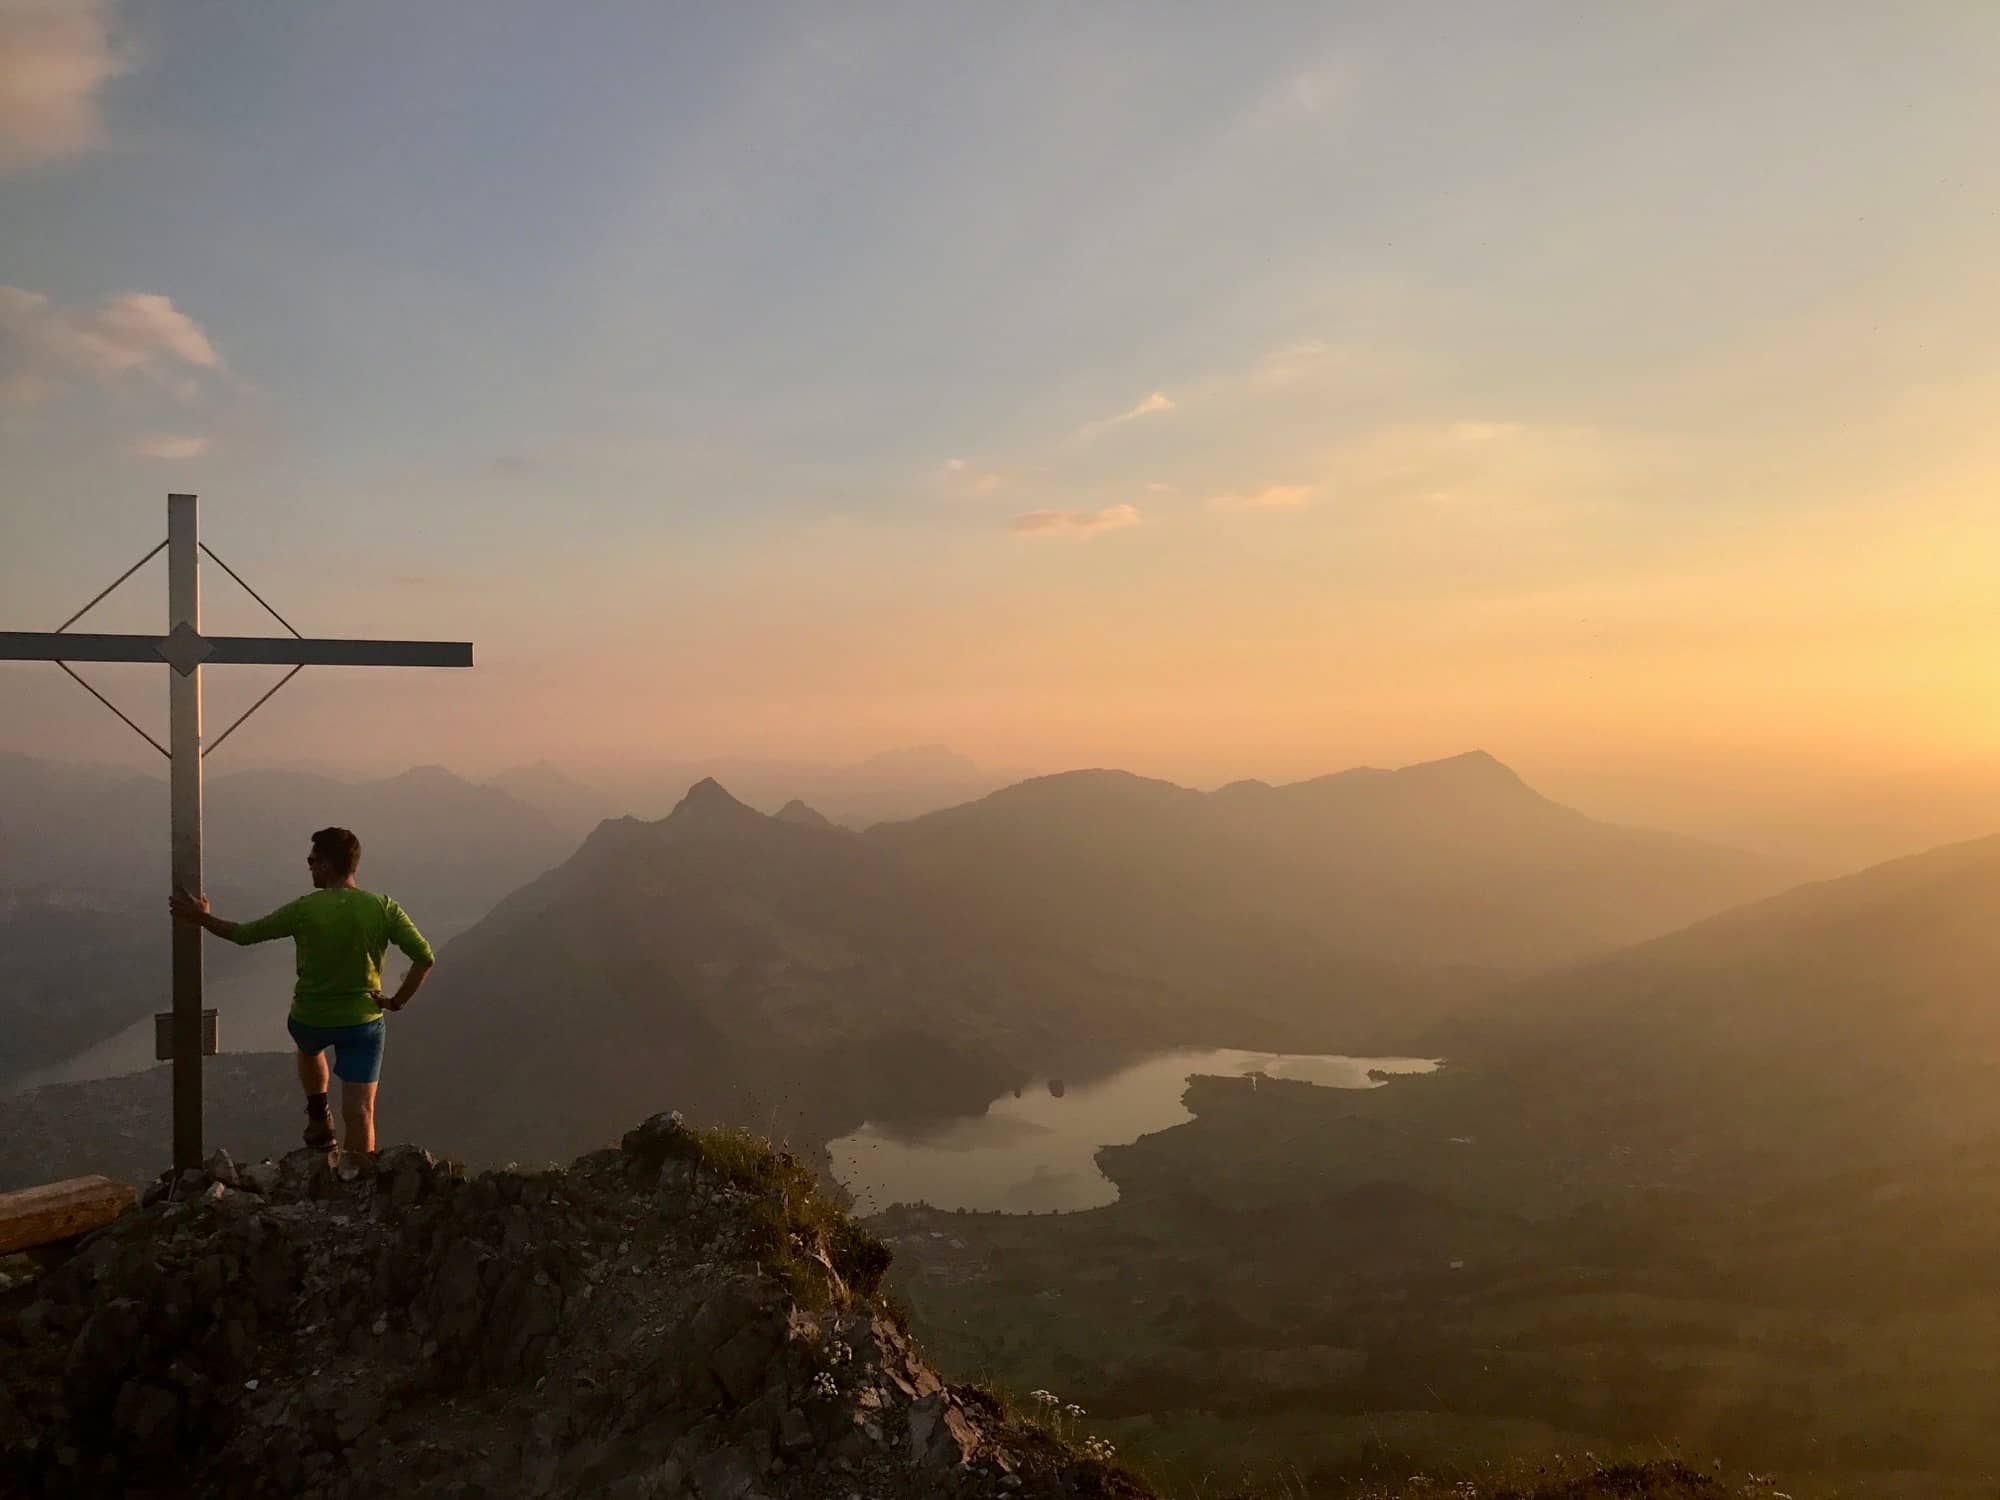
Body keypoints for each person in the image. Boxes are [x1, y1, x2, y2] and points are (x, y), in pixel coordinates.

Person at [169, 826, 434, 1153]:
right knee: (361, 1113)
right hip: (362, 1023)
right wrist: (395, 1002)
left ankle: (318, 1111)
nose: (309, 866)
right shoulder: (383, 908)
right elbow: (424, 957)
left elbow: (244, 934)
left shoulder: (304, 909)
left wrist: (202, 918)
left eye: (312, 860)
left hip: (310, 1019)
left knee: (309, 1048)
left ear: (327, 865)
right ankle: (357, 1176)